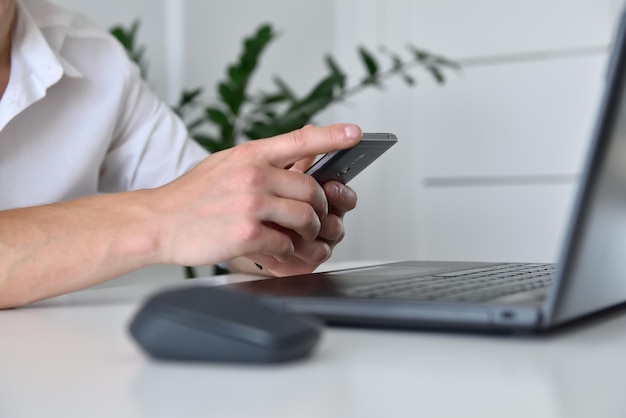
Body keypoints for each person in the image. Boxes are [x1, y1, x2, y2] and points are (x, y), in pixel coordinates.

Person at [0, 0, 360, 309]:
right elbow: (178, 211)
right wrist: (159, 220)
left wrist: (271, 227)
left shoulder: (93, 57)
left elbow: (204, 207)